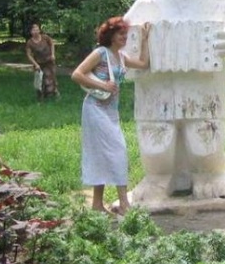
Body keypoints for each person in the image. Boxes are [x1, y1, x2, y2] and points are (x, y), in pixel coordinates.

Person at [71, 17, 150, 215]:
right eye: (121, 34)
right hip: (95, 109)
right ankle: (124, 204)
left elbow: (143, 63)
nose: (124, 38)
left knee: (105, 153)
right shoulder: (100, 53)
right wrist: (103, 85)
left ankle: (97, 205)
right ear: (111, 36)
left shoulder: (121, 57)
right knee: (117, 150)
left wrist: (145, 40)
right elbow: (77, 74)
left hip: (111, 112)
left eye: (126, 34)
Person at [25, 23, 60, 100]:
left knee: (51, 78)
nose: (36, 31)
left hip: (49, 62)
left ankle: (55, 94)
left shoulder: (45, 37)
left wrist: (53, 54)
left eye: (37, 29)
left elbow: (52, 44)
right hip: (39, 64)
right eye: (34, 30)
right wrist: (35, 64)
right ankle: (40, 97)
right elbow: (29, 55)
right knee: (40, 81)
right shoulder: (30, 42)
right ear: (31, 32)